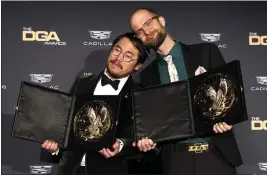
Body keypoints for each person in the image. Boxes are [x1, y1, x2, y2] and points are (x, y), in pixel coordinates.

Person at [129, 8, 243, 175]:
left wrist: (228, 118)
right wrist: (148, 141)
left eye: (148, 23)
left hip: (216, 154)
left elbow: (230, 94)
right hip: (175, 160)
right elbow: (152, 124)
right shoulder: (146, 77)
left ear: (161, 20)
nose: (145, 31)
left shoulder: (206, 52)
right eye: (139, 31)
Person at [40, 32, 149, 175]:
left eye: (128, 56)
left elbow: (144, 143)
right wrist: (55, 148)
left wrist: (121, 146)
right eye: (117, 50)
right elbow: (65, 124)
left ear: (137, 66)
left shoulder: (140, 95)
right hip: (71, 169)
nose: (118, 58)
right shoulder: (82, 83)